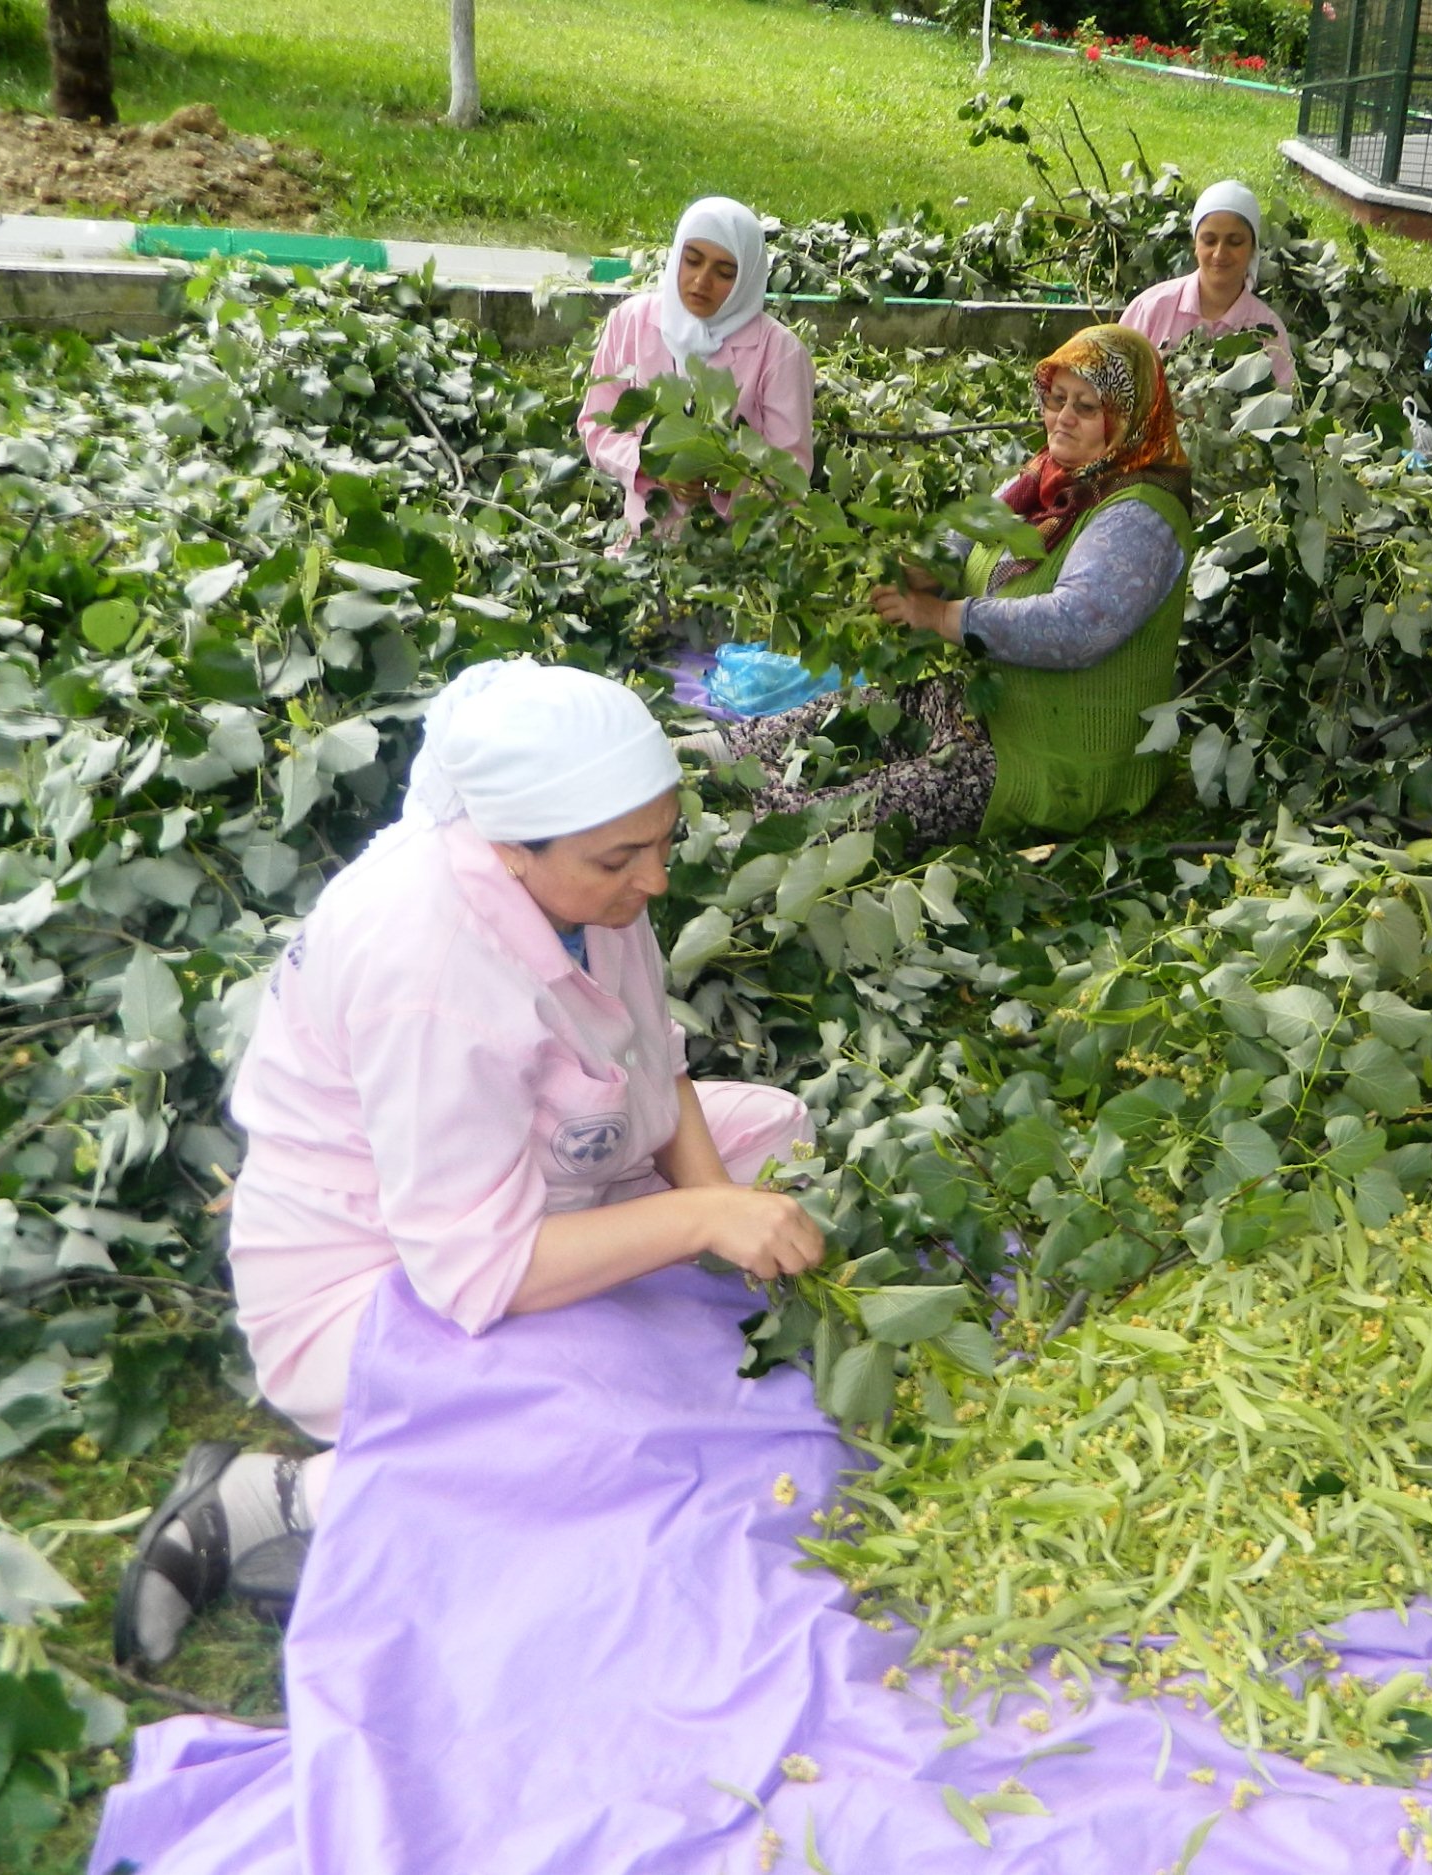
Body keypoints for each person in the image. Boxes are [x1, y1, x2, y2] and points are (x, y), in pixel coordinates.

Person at [112, 661, 824, 1668]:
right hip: (377, 1276)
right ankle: (282, 1500)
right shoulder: (432, 970)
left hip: (543, 1175)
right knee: (601, 1412)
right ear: (510, 848)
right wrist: (703, 1222)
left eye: (663, 842)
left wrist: (714, 1195)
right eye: (622, 859)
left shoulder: (586, 886)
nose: (656, 880)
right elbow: (475, 1268)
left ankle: (605, 1361)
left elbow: (650, 1066)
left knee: (781, 1139)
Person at [686, 325, 1195, 847]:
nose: (1063, 417)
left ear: (1129, 419)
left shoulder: (1139, 514)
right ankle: (724, 754)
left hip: (1058, 756)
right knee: (852, 714)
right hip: (983, 708)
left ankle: (744, 830)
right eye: (1057, 398)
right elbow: (965, 536)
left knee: (856, 810)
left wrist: (940, 615)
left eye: (1086, 407)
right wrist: (922, 569)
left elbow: (1075, 626)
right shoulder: (1043, 478)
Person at [577, 196, 816, 539]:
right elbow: (597, 427)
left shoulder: (780, 352)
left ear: (747, 278)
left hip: (737, 551)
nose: (701, 282)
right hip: (642, 545)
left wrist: (722, 478)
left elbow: (790, 474)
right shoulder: (631, 321)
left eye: (724, 273)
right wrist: (653, 467)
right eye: (692, 261)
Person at [1119, 180, 1296, 389]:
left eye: (1235, 242)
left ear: (1253, 248)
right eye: (1209, 241)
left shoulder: (1268, 332)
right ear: (1195, 244)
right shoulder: (1151, 309)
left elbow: (1284, 395)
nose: (1219, 254)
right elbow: (1112, 388)